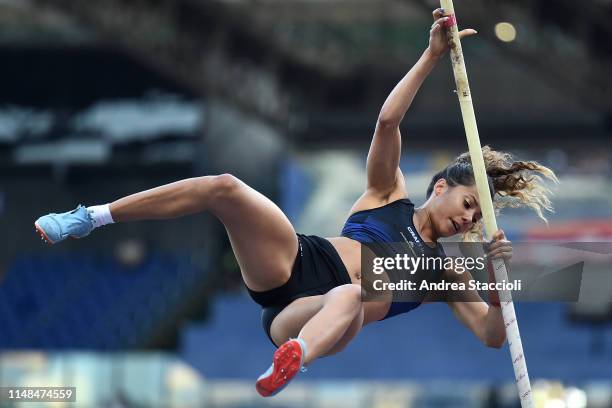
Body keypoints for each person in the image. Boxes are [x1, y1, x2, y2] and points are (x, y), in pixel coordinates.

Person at [34, 8, 557, 397]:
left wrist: (495, 278)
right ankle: (91, 216)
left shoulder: (448, 273)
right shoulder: (387, 194)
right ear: (439, 186)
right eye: (468, 202)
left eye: (475, 217)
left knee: (352, 295)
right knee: (225, 187)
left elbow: (493, 335)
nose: (467, 219)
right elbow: (387, 123)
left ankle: (290, 361)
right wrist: (429, 58)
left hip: (311, 317)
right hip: (297, 262)